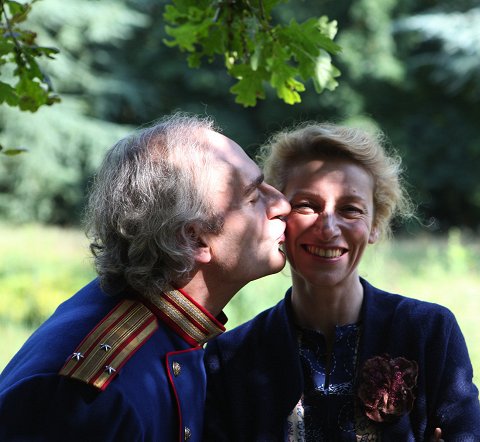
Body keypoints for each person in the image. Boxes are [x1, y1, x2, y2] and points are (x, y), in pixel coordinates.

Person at [0, 113, 291, 441]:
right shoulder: (89, 393)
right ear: (193, 239)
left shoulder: (169, 326)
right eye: (253, 198)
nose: (282, 203)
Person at [204, 122, 480, 441]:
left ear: (374, 226)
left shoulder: (429, 332)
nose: (328, 227)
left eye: (350, 209)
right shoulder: (229, 356)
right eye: (307, 205)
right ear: (279, 217)